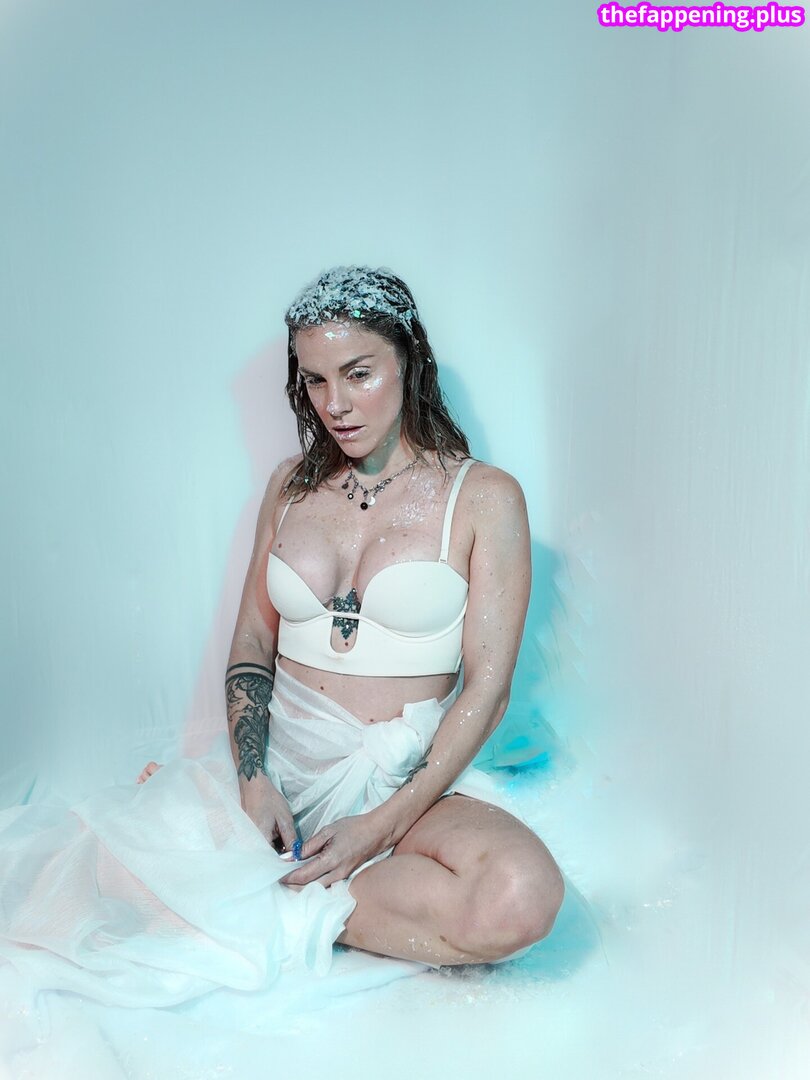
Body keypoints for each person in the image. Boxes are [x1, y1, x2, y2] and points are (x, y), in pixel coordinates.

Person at [140, 264, 564, 967]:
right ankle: (271, 879)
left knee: (520, 896)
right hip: (278, 773)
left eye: (358, 374)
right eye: (314, 380)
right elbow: (252, 645)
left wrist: (381, 825)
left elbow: (488, 691)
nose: (335, 404)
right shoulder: (290, 485)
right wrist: (252, 779)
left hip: (400, 780)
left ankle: (273, 900)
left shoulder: (484, 498)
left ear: (409, 361)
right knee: (105, 875)